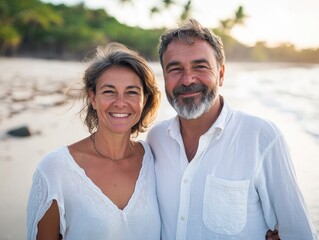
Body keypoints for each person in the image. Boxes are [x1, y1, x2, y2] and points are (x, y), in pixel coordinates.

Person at [146, 18, 318, 239]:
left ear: (221, 74)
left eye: (200, 66)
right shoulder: (155, 139)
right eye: (175, 69)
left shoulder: (262, 137)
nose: (188, 79)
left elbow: (298, 233)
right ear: (164, 77)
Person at [26, 42, 161, 240]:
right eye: (109, 91)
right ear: (93, 97)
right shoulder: (55, 170)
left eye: (132, 92)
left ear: (145, 99)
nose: (120, 102)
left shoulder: (154, 159)